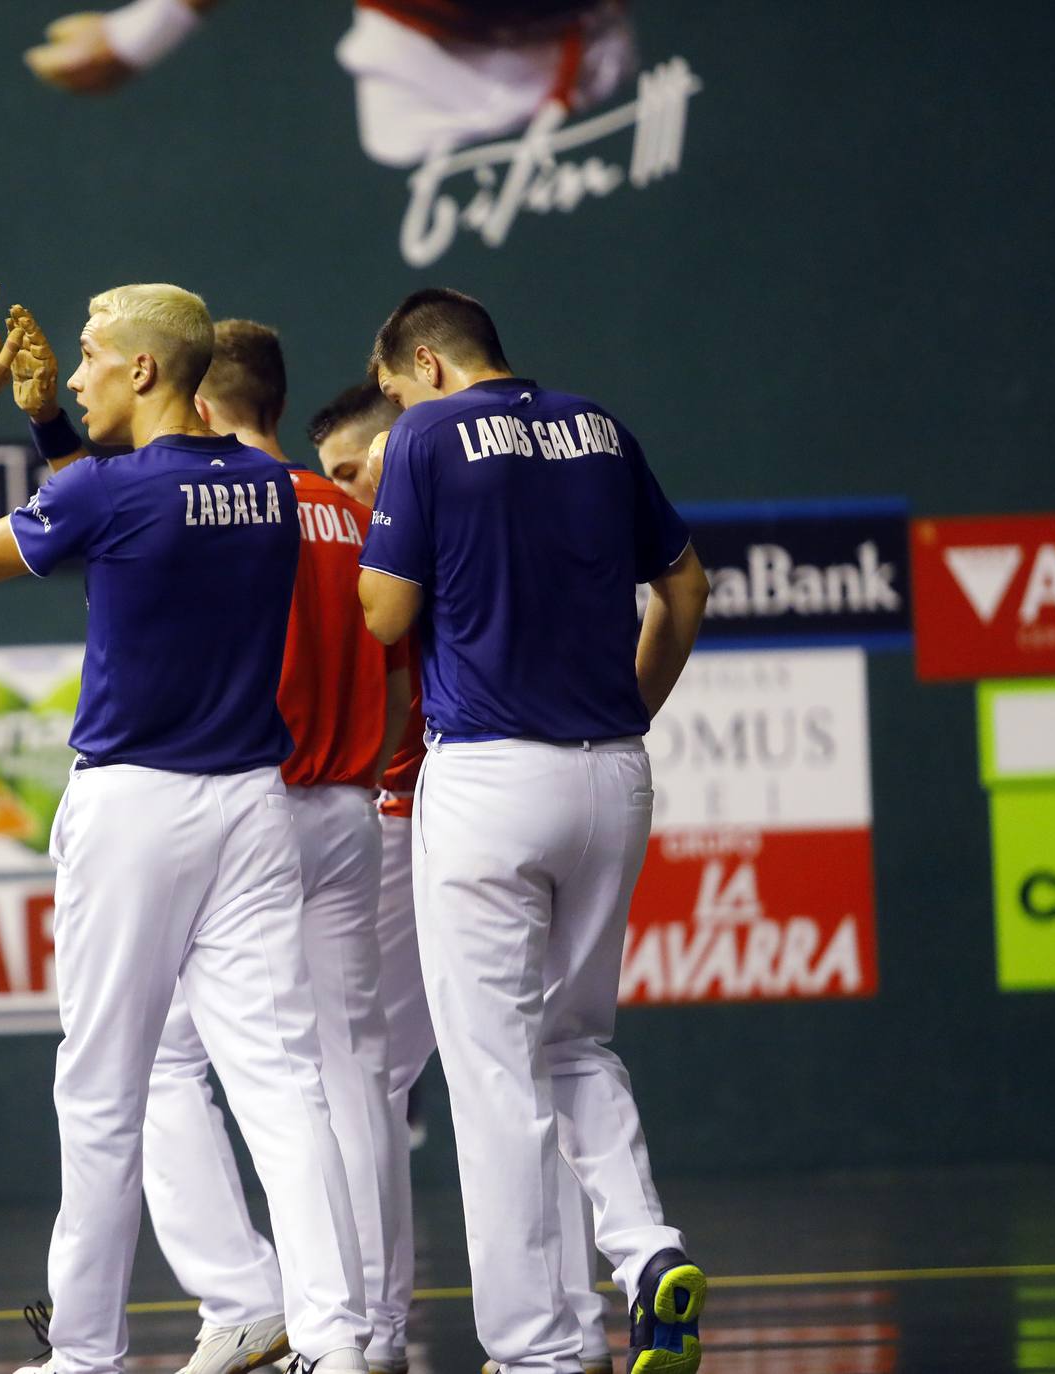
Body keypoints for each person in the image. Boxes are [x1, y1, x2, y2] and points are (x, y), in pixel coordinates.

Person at [0, 278, 370, 1374]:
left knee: (101, 1087)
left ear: (143, 370)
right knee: (281, 1088)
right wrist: (52, 421)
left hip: (137, 808)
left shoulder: (121, 494)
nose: (71, 372)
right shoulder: (270, 488)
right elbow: (123, 517)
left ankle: (84, 1353)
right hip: (249, 810)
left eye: (87, 356)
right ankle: (334, 1338)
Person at [353, 287, 711, 1374]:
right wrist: (628, 713)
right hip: (611, 773)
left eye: (388, 391)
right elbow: (685, 588)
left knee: (497, 1073)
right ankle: (647, 1255)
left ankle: (541, 1349)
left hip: (491, 781)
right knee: (576, 1043)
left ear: (427, 364)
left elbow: (382, 612)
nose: (389, 413)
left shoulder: (425, 435)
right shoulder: (601, 427)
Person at [94, 321, 400, 1374]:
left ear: (205, 406)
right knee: (348, 1079)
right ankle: (366, 1328)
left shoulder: (212, 517)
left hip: (251, 815)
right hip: (358, 815)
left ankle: (240, 1295)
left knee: (165, 1060)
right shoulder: (348, 512)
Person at [309, 383, 615, 1374]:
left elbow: (386, 627)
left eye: (358, 472)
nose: (352, 496)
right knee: (514, 1062)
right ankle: (562, 1325)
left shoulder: (428, 520)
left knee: (381, 1079)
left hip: (422, 819)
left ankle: (378, 1332)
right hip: (492, 800)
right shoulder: (447, 515)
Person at [21, 0, 634, 168]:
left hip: (591, 65)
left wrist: (144, 32)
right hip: (420, 73)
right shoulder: (397, 115)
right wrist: (150, 28)